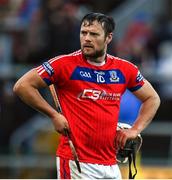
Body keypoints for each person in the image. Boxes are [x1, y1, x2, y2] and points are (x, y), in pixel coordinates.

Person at [13, 12, 160, 179]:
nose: (87, 38)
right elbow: (22, 86)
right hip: (76, 162)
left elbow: (152, 98)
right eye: (83, 33)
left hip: (111, 164)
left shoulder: (125, 69)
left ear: (108, 38)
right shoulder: (63, 64)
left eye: (94, 34)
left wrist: (135, 129)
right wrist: (53, 115)